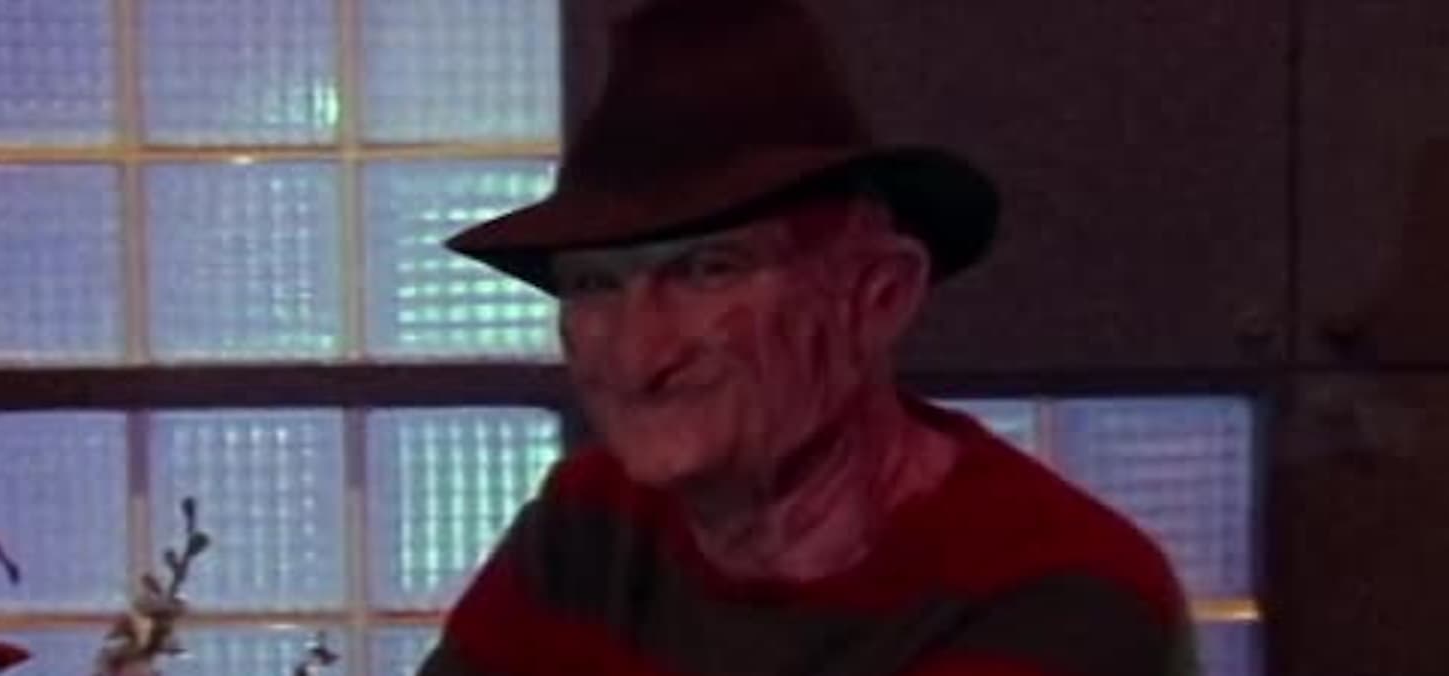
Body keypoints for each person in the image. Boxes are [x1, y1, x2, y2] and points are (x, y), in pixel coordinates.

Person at [421, 1, 1195, 674]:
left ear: (876, 297)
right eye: (594, 284)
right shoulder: (590, 525)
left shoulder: (1059, 587)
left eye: (708, 270)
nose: (638, 356)